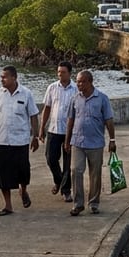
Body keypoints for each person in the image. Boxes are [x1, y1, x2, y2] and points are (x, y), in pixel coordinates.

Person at [0, 65, 41, 216]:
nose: (1, 79)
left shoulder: (26, 94)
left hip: (20, 140)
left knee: (23, 171)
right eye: (1, 77)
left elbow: (34, 116)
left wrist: (35, 136)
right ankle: (8, 205)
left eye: (4, 77)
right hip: (2, 139)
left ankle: (23, 190)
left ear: (14, 78)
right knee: (3, 174)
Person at [64, 69, 116, 215]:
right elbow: (70, 121)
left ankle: (93, 202)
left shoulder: (102, 99)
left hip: (96, 143)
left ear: (90, 82)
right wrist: (67, 141)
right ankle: (78, 203)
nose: (79, 84)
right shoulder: (75, 99)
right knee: (75, 170)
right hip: (77, 142)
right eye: (78, 81)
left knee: (95, 173)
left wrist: (112, 139)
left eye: (82, 81)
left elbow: (109, 120)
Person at [40, 62, 78, 203]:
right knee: (50, 158)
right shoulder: (52, 88)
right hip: (54, 129)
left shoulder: (76, 89)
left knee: (68, 163)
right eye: (58, 72)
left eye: (63, 72)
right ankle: (59, 180)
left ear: (69, 73)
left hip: (70, 131)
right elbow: (47, 108)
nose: (60, 75)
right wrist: (42, 127)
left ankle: (66, 190)